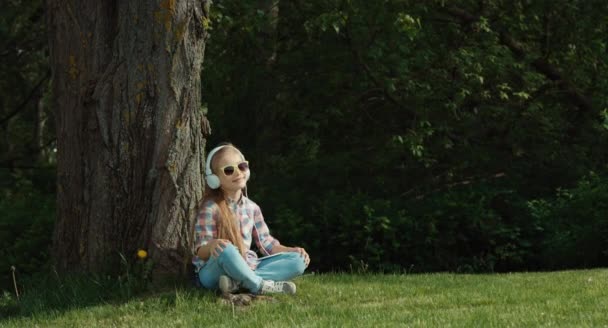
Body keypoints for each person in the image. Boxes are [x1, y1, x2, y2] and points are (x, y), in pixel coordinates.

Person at [192, 143, 309, 295]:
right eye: (228, 170)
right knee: (226, 249)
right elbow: (200, 251)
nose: (237, 173)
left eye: (241, 166)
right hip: (213, 271)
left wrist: (292, 250)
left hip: (247, 265)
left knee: (297, 261)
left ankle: (236, 284)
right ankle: (259, 285)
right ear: (214, 179)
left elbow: (266, 244)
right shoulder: (210, 208)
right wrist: (213, 245)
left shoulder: (252, 208)